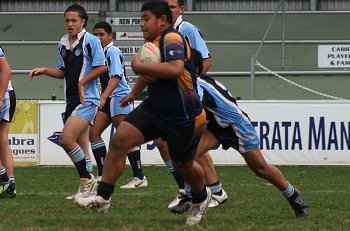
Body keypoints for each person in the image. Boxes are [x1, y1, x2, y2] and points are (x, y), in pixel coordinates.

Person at [75, 1, 212, 225]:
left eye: (146, 18)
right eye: (141, 19)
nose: (141, 23)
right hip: (155, 107)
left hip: (182, 114)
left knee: (183, 165)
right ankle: (103, 196)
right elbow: (150, 75)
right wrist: (133, 93)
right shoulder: (154, 42)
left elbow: (175, 69)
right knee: (121, 139)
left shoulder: (172, 38)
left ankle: (200, 198)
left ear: (162, 20)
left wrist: (140, 67)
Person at [195, 49, 309, 218]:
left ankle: (294, 197)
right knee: (188, 156)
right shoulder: (198, 80)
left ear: (195, 68)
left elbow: (194, 113)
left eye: (185, 64)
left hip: (237, 127)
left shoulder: (197, 85)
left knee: (261, 169)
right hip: (218, 127)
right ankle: (204, 196)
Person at [29, 4, 106, 199]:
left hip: (87, 100)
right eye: (67, 20)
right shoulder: (62, 43)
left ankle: (87, 179)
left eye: (74, 20)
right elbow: (62, 71)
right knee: (82, 145)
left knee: (66, 139)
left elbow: (102, 68)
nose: (70, 24)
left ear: (83, 22)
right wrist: (45, 70)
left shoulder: (91, 41)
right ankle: (86, 190)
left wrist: (83, 82)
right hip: (71, 100)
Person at [157, 0, 226, 212]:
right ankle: (213, 191)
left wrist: (192, 87)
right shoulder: (165, 33)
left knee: (187, 144)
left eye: (173, 6)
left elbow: (205, 60)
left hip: (188, 97)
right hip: (174, 95)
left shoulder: (187, 29)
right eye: (166, 6)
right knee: (170, 143)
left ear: (181, 9)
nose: (169, 10)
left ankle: (189, 193)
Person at [89, 21, 147, 188]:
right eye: (95, 35)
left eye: (101, 34)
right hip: (109, 98)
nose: (98, 38)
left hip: (119, 96)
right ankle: (102, 174)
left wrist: (103, 96)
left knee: (126, 137)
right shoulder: (101, 53)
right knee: (94, 133)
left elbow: (116, 77)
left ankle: (139, 177)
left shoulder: (113, 52)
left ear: (110, 36)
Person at [0, 44, 16, 198]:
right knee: (2, 140)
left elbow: (6, 70)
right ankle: (10, 186)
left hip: (3, 96)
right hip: (6, 95)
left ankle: (4, 180)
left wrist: (0, 96)